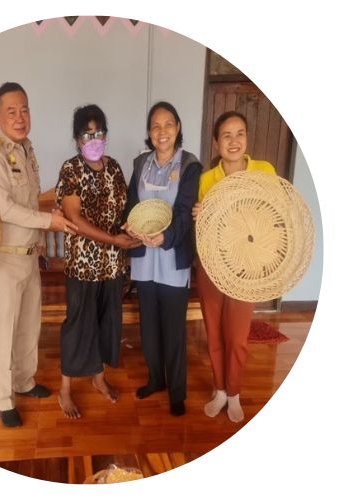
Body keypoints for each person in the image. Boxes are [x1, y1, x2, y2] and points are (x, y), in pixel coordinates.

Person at [0, 82, 77, 428]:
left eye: (24, 110)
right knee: (5, 329)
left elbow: (31, 200)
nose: (20, 118)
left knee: (28, 325)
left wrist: (42, 231)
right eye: (11, 111)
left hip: (30, 255)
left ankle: (23, 381)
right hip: (5, 258)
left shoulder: (27, 149)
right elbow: (5, 208)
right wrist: (49, 221)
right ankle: (4, 399)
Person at [55, 104, 141, 419]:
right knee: (78, 325)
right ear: (77, 139)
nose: (94, 139)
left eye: (98, 132)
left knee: (106, 323)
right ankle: (65, 389)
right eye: (87, 134)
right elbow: (74, 219)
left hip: (112, 266)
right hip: (83, 265)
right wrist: (114, 240)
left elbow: (124, 210)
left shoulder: (114, 167)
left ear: (106, 135)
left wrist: (132, 229)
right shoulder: (71, 169)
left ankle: (98, 378)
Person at [192, 110, 276, 423]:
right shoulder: (206, 180)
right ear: (216, 143)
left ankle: (235, 393)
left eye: (239, 133)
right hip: (212, 265)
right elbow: (205, 229)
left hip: (246, 268)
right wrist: (201, 214)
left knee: (238, 337)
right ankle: (220, 390)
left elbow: (272, 216)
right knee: (214, 333)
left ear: (247, 138)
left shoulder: (264, 171)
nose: (234, 141)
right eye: (226, 135)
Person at [123, 101, 202, 416]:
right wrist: (129, 223)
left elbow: (185, 212)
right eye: (156, 125)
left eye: (168, 124)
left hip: (172, 260)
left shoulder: (190, 165)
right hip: (145, 260)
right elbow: (132, 202)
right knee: (150, 328)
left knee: (173, 331)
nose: (162, 131)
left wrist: (165, 238)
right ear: (149, 131)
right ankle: (155, 379)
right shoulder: (141, 163)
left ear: (178, 127)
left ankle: (177, 393)